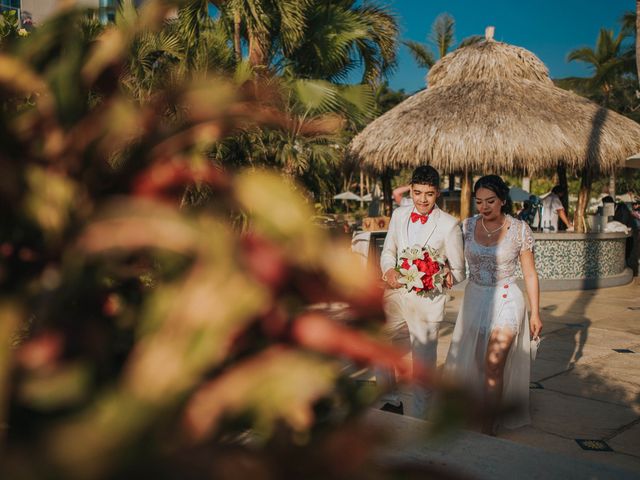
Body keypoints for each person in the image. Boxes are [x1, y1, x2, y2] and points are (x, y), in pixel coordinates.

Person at [444, 175, 542, 434]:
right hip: (475, 297)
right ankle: (477, 410)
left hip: (508, 298)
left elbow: (530, 274)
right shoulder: (465, 227)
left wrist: (536, 313)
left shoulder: (520, 229)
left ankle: (488, 430)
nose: (484, 207)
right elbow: (452, 263)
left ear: (502, 201)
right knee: (477, 363)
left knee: (494, 362)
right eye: (479, 202)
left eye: (490, 201)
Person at [378, 166, 465, 416]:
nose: (422, 200)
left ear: (437, 193)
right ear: (411, 189)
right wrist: (388, 271)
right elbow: (388, 251)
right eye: (417, 193)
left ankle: (420, 420)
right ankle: (391, 400)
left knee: (423, 366)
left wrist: (438, 275)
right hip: (396, 295)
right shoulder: (399, 215)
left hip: (428, 301)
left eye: (428, 194)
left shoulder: (449, 225)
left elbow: (459, 270)